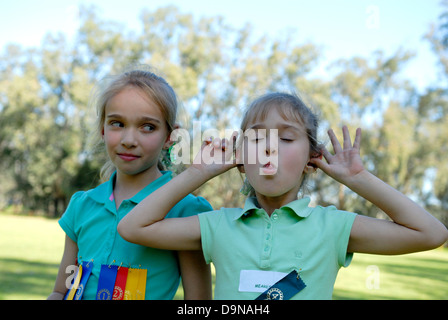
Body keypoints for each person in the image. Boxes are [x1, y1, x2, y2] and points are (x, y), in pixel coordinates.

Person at [117, 92, 448, 300]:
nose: (270, 149)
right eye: (257, 139)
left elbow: (431, 234)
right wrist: (198, 172)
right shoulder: (219, 226)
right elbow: (134, 228)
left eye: (287, 139)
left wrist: (359, 180)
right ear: (240, 160)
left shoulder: (332, 228)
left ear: (311, 159)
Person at [48, 67, 212, 300]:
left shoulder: (186, 211)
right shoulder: (82, 205)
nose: (129, 140)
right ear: (102, 129)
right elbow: (60, 291)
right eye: (117, 123)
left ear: (170, 137)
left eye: (148, 127)